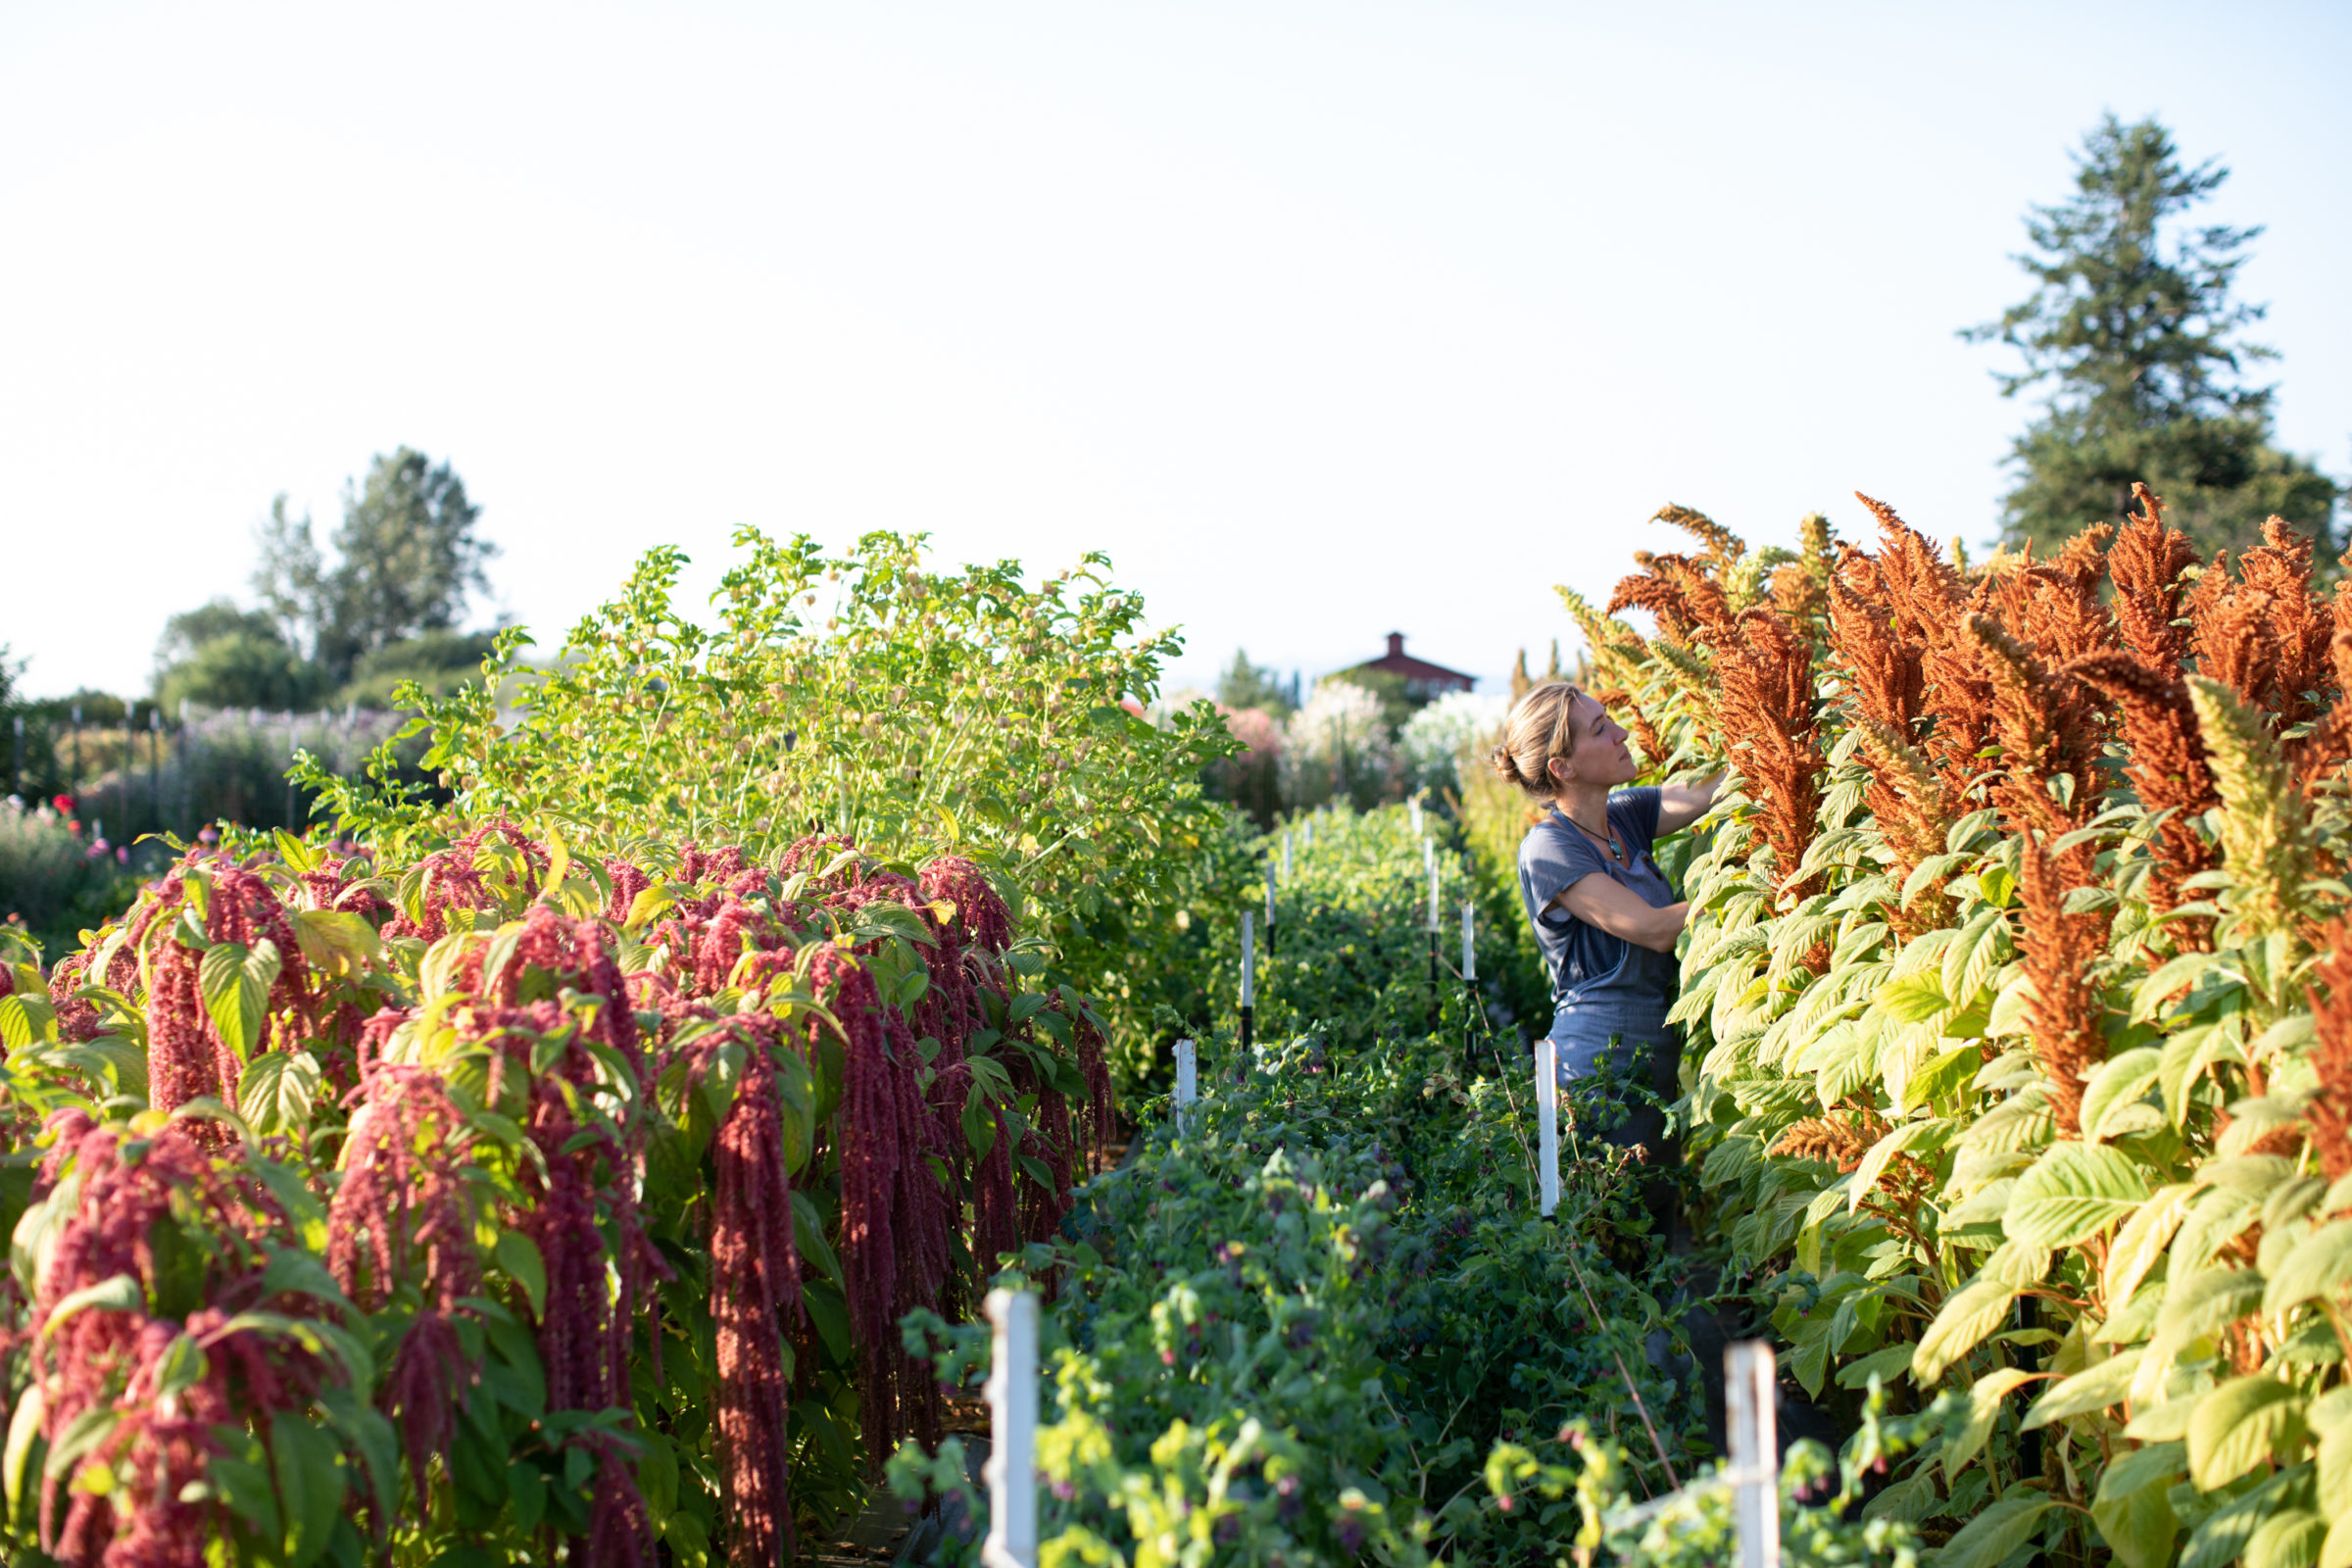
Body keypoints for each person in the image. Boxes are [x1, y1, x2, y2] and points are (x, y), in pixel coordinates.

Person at [1491, 680, 1720, 1236]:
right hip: (1600, 1073)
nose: (1621, 734)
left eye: (1608, 719)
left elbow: (1719, 791)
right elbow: (1650, 928)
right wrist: (1742, 893)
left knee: (1654, 1230)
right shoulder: (1548, 848)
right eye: (1600, 730)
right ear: (1562, 767)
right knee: (1612, 1234)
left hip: (1657, 1059)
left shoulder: (1626, 816)